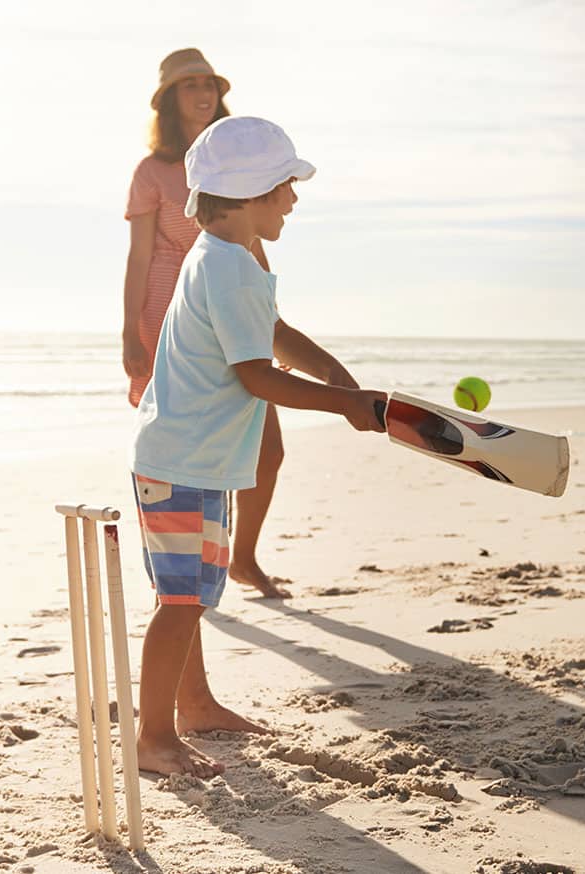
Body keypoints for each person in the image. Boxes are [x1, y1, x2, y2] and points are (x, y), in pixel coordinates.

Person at [127, 116, 388, 776]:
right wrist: (343, 405)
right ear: (249, 194)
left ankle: (195, 706)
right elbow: (256, 374)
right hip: (183, 462)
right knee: (180, 603)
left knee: (193, 596)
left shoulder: (221, 258)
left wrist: (333, 374)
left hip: (195, 460)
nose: (293, 201)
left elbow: (271, 331)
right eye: (284, 188)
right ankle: (154, 737)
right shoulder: (230, 267)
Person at [123, 48, 358, 599]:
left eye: (209, 84)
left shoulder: (236, 194)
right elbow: (139, 257)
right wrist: (130, 333)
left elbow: (253, 269)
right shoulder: (157, 173)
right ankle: (186, 581)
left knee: (253, 448)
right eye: (190, 85)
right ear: (169, 99)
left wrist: (316, 359)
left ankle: (231, 561)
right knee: (191, 453)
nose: (203, 94)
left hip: (233, 299)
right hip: (177, 314)